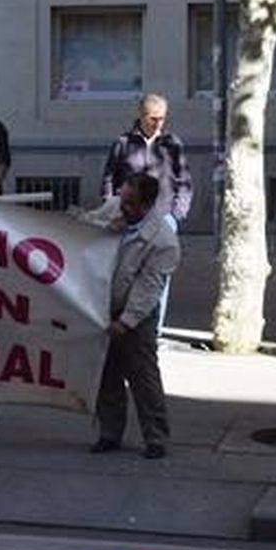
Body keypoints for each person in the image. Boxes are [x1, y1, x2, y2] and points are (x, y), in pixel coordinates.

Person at [88, 173, 180, 460]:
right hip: (104, 301)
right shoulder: (113, 209)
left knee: (143, 375)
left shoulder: (162, 240)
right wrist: (106, 227)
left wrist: (127, 321)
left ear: (147, 205)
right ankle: (109, 432)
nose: (123, 207)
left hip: (137, 313)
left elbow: (148, 287)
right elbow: (81, 228)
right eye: (123, 200)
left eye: (130, 203)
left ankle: (155, 437)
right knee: (107, 373)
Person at [99, 93, 191, 330]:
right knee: (126, 269)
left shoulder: (172, 144)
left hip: (163, 215)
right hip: (128, 217)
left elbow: (184, 180)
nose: (158, 123)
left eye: (162, 118)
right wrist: (113, 208)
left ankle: (154, 328)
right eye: (153, 118)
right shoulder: (124, 143)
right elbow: (109, 177)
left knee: (157, 274)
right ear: (140, 115)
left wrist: (176, 214)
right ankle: (124, 317)